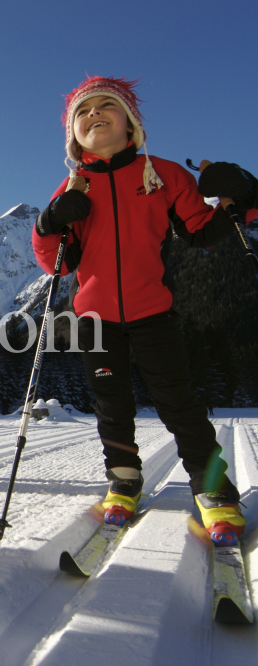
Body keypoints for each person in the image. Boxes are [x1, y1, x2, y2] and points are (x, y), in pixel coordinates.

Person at [31, 75, 256, 545]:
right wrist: (49, 220)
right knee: (111, 406)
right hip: (94, 319)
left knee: (180, 403)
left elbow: (201, 229)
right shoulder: (74, 186)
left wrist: (243, 196)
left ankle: (213, 489)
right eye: (83, 112)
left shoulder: (165, 174)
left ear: (130, 120)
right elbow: (56, 260)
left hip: (154, 310)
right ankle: (124, 479)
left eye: (106, 106)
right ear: (73, 134)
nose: (94, 114)